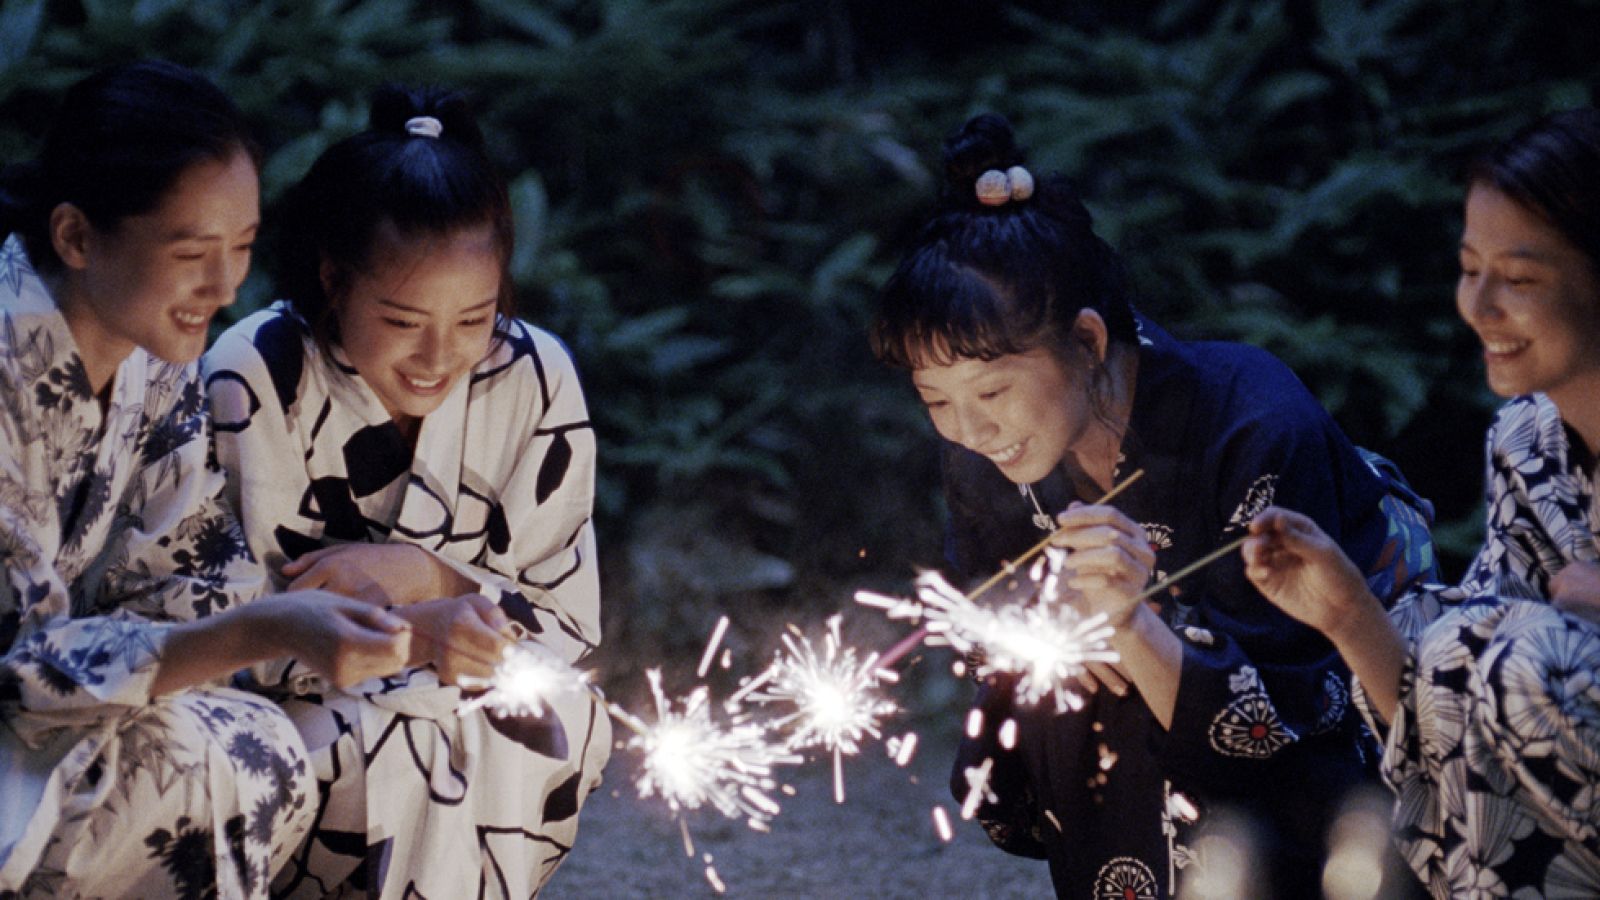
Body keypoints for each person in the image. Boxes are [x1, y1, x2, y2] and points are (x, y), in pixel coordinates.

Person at [870, 113, 1435, 898]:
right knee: (1066, 676)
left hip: (1316, 726)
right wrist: (1050, 631)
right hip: (1134, 721)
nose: (970, 429)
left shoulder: (1253, 421)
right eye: (935, 399)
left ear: (1091, 342)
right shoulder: (983, 455)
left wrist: (1134, 625)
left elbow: (1296, 685)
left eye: (993, 390)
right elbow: (981, 615)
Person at [0, 60, 416, 898]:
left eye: (243, 246)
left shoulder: (155, 358)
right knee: (204, 763)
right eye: (193, 251)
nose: (226, 287)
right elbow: (16, 665)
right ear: (77, 237)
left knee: (257, 744)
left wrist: (379, 624)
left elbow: (191, 579)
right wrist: (264, 631)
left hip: (47, 722)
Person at [202, 84, 611, 899]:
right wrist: (415, 637)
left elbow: (565, 624)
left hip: (476, 691)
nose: (438, 356)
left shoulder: (533, 374)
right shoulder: (255, 374)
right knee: (401, 739)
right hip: (302, 704)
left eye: (472, 321)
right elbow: (222, 631)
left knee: (554, 715)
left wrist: (434, 577)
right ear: (334, 280)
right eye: (400, 320)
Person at [1243, 107, 1600, 897]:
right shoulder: (1527, 441)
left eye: (1522, 278)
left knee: (1519, 653)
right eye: (1470, 267)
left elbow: (1522, 669)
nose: (1479, 305)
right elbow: (1456, 686)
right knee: (1451, 643)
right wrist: (1343, 611)